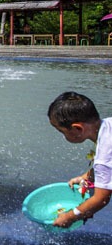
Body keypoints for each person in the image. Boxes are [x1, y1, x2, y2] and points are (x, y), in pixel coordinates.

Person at [47, 92, 112, 228]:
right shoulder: (108, 124)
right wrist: (87, 177)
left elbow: (101, 199)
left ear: (77, 128)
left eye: (62, 131)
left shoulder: (104, 155)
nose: (63, 136)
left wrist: (70, 216)